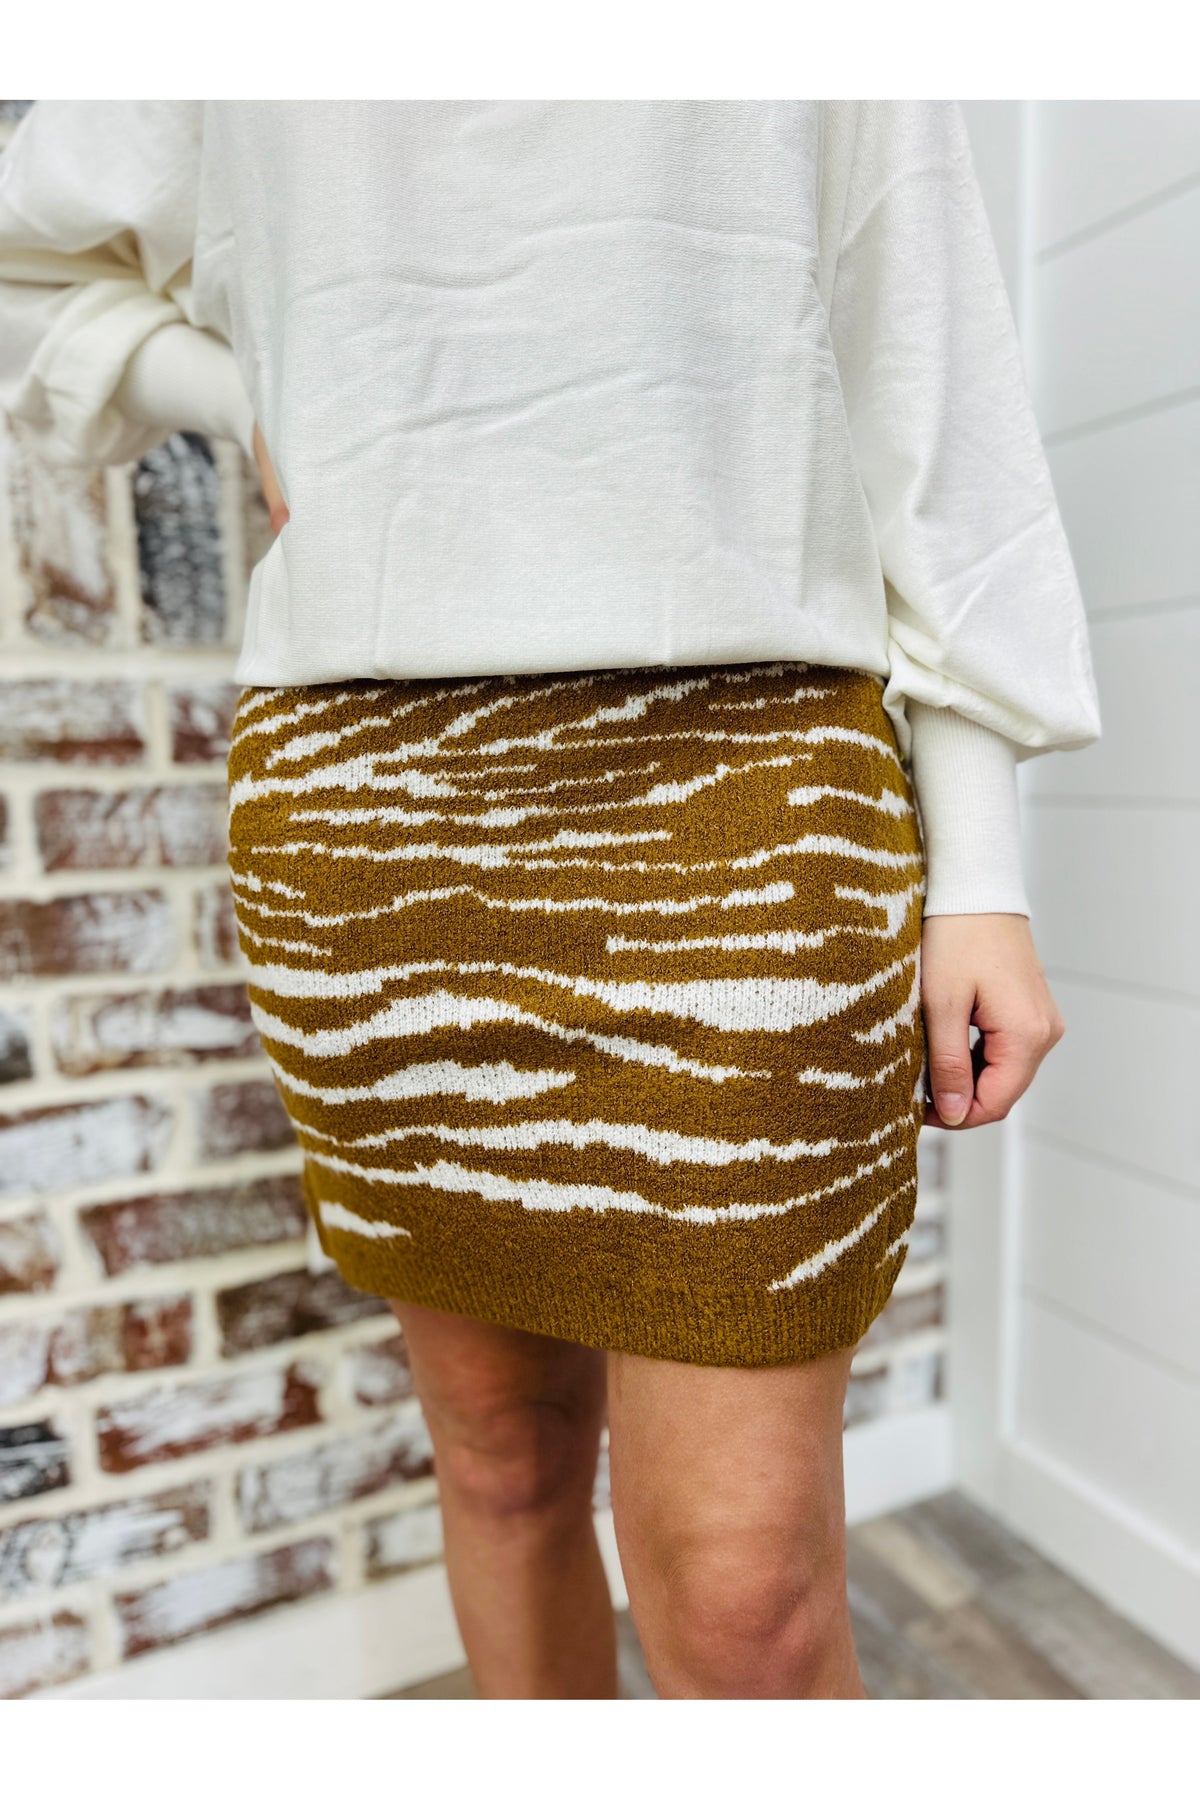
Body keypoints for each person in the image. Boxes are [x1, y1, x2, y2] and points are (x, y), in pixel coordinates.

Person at [0, 99, 1100, 1700]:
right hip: (375, 816)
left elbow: (929, 385)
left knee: (744, 1593)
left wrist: (980, 870)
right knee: (502, 1460)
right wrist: (244, 393)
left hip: (740, 803)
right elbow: (30, 253)